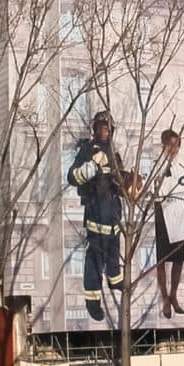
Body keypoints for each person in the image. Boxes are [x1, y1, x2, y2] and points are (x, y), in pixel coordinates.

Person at [67, 111, 123, 321]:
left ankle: (115, 279)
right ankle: (92, 302)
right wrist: (91, 167)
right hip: (96, 217)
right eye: (100, 128)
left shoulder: (114, 153)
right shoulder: (88, 150)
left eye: (107, 128)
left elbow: (118, 180)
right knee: (94, 262)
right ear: (94, 129)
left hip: (114, 218)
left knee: (114, 253)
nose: (103, 132)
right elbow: (72, 176)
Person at [154, 129, 184, 319]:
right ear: (164, 146)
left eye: (176, 146)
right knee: (161, 259)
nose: (174, 149)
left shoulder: (182, 164)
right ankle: (165, 297)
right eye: (170, 146)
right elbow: (153, 188)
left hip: (178, 211)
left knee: (178, 258)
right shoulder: (158, 165)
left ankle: (174, 294)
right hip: (162, 212)